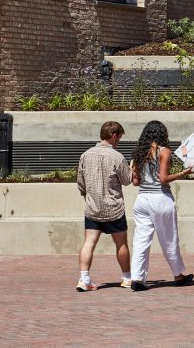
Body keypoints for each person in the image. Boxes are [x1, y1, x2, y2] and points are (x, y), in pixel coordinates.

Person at [130, 120, 194, 291]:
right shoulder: (164, 151)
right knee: (169, 239)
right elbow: (163, 179)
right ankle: (178, 275)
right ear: (161, 134)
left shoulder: (139, 152)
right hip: (160, 198)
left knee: (141, 241)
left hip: (142, 199)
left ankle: (137, 278)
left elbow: (135, 182)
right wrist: (184, 172)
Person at [75, 120, 133, 292]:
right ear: (114, 136)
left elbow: (80, 183)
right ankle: (127, 277)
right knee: (121, 243)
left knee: (89, 242)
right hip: (113, 208)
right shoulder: (117, 157)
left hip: (92, 208)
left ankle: (84, 279)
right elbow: (127, 180)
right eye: (119, 137)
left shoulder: (85, 155)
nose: (119, 141)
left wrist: (88, 196)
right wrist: (131, 167)